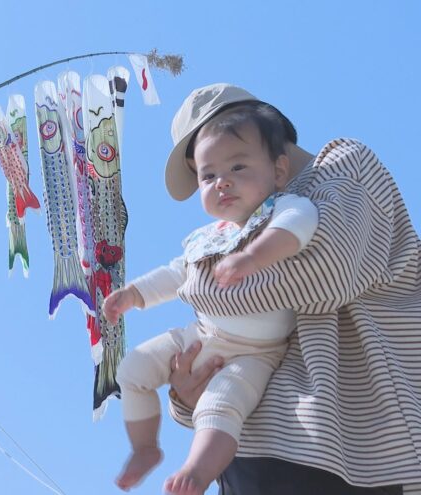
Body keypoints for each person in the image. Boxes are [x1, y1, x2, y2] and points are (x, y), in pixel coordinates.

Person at [165, 83, 420, 494]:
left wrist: (200, 285)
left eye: (231, 158)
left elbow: (325, 272)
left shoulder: (342, 166)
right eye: (205, 172)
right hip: (254, 454)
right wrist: (188, 392)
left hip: (358, 450)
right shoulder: (229, 234)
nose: (218, 183)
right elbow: (225, 338)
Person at [103, 102, 319, 494]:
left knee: (219, 405)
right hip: (201, 335)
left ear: (279, 170)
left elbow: (298, 226)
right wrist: (134, 294)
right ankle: (145, 448)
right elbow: (176, 273)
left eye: (238, 167)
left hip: (256, 353)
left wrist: (254, 255)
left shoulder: (283, 209)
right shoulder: (209, 237)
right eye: (208, 175)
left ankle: (198, 472)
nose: (222, 181)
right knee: (131, 370)